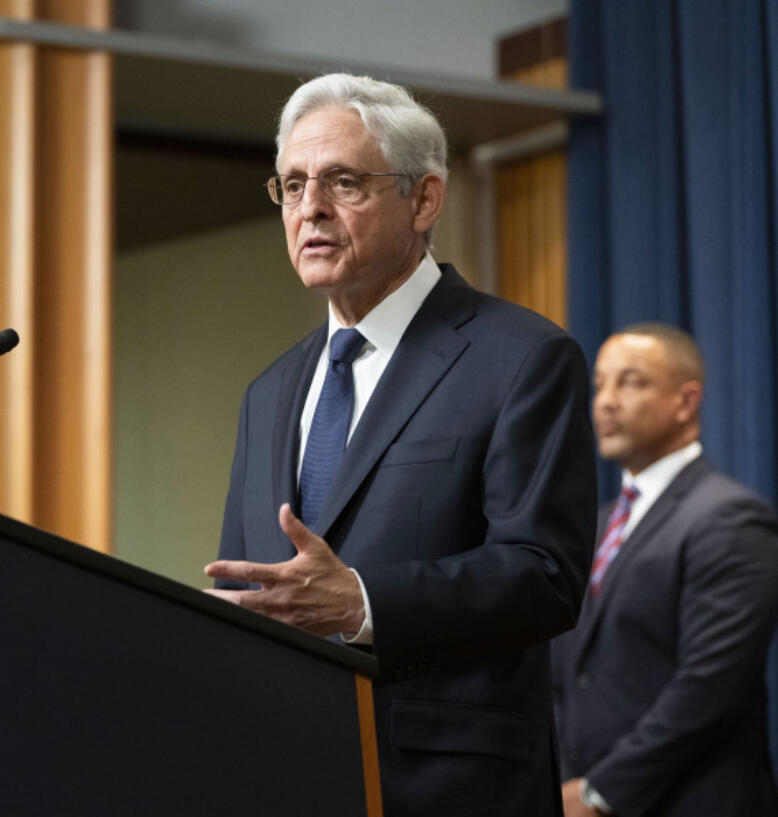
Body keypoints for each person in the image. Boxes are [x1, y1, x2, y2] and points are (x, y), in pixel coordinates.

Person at [204, 73, 597, 816]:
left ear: (424, 200)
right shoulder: (268, 392)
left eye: (341, 181)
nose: (309, 208)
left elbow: (545, 573)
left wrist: (360, 600)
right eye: (291, 185)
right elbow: (252, 592)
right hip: (281, 773)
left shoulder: (521, 357)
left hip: (445, 786)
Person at [551, 324, 778, 816]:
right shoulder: (596, 525)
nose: (606, 401)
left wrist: (600, 792)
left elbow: (709, 686)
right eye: (600, 383)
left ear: (685, 400)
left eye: (630, 382)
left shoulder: (730, 518)